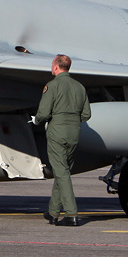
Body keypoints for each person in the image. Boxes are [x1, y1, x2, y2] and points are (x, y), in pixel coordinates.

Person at [34, 54, 91, 226]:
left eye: (52, 64)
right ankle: (53, 212)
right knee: (63, 171)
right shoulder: (80, 87)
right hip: (74, 133)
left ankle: (71, 214)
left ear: (57, 66)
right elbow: (87, 114)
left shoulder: (52, 86)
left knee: (61, 172)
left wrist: (35, 120)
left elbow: (43, 113)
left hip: (57, 132)